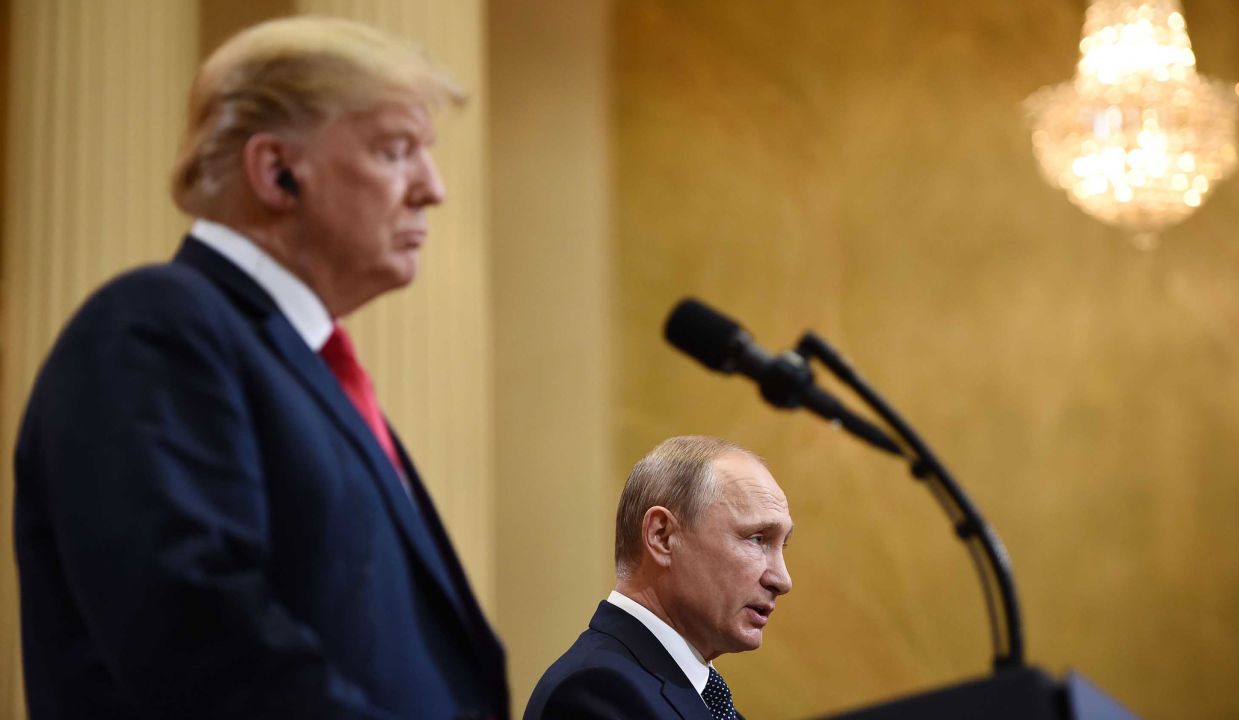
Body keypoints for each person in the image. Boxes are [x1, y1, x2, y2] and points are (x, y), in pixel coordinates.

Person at [13, 16, 506, 719]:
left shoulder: (305, 369)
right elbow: (201, 639)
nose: (433, 188)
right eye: (397, 151)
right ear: (276, 171)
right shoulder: (152, 327)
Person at [524, 436, 794, 719]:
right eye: (757, 539)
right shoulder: (597, 692)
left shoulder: (704, 699)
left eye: (782, 545)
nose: (783, 580)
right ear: (662, 537)